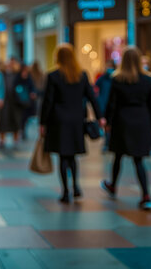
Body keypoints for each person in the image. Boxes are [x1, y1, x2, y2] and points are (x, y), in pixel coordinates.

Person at [40, 44, 104, 204]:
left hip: (58, 120)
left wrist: (43, 123)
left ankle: (65, 191)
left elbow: (48, 102)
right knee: (73, 156)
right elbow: (92, 97)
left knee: (63, 156)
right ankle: (76, 186)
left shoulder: (53, 76)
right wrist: (100, 116)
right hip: (76, 120)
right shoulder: (81, 75)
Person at [101, 47, 151, 210]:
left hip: (122, 121)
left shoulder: (117, 79)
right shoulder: (147, 80)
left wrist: (108, 123)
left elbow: (112, 103)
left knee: (118, 155)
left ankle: (113, 185)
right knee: (138, 159)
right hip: (142, 121)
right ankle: (146, 194)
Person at [0, 59, 23, 147]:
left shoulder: (18, 75)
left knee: (15, 119)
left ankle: (16, 138)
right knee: (3, 120)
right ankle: (2, 138)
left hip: (15, 101)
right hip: (5, 101)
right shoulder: (2, 74)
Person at [96, 60, 116, 151]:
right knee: (106, 125)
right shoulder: (102, 79)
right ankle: (107, 143)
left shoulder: (116, 78)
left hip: (113, 105)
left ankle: (111, 142)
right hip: (104, 104)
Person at [16, 64, 37, 140]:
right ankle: (21, 130)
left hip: (27, 102)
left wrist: (33, 93)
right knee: (21, 117)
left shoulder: (29, 79)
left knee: (26, 117)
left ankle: (23, 130)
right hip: (19, 102)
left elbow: (32, 88)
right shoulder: (18, 78)